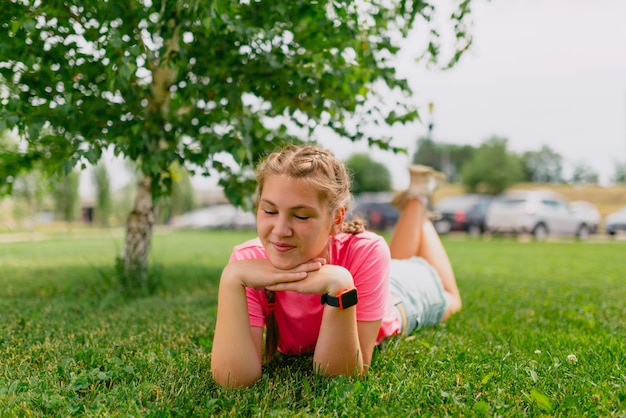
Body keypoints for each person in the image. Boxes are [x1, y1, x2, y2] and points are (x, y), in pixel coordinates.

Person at [211, 144, 462, 388]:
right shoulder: (247, 263)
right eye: (269, 211)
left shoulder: (367, 250)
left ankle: (418, 201)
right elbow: (232, 379)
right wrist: (231, 278)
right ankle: (416, 205)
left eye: (300, 216)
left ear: (337, 219)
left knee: (451, 299)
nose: (280, 230)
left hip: (401, 296)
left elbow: (340, 375)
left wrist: (341, 284)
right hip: (374, 275)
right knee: (396, 258)